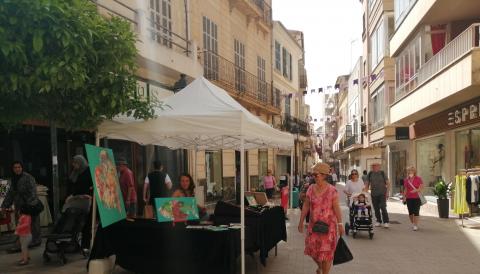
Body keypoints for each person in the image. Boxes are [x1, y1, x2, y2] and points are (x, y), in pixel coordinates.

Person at [298, 163, 344, 274]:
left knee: (327, 254)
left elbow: (337, 208)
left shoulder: (332, 190)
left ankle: (325, 272)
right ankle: (320, 267)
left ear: (324, 175)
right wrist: (301, 221)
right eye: (313, 174)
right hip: (314, 226)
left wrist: (340, 224)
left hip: (329, 228)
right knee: (313, 251)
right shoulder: (310, 189)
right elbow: (306, 205)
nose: (314, 176)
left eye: (316, 174)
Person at [1, 161, 42, 248]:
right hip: (19, 206)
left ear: (22, 168)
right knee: (21, 226)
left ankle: (35, 241)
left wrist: (28, 206)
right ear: (13, 169)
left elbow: (33, 192)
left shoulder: (28, 177)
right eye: (15, 167)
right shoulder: (14, 179)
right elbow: (11, 194)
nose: (17, 169)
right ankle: (22, 244)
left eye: (19, 167)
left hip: (30, 206)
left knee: (33, 224)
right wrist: (4, 206)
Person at [66, 155, 93, 251]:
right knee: (75, 223)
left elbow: (92, 186)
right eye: (73, 163)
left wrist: (88, 193)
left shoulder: (88, 171)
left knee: (86, 224)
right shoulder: (75, 172)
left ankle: (85, 245)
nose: (74, 165)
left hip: (86, 201)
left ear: (81, 162)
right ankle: (74, 244)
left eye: (75, 163)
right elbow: (71, 185)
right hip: (76, 200)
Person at [366, 163, 390, 228]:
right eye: (373, 166)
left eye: (376, 166)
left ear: (379, 167)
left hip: (382, 193)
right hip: (374, 194)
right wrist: (365, 192)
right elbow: (367, 183)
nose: (375, 167)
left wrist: (387, 193)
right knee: (376, 208)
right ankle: (378, 221)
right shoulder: (370, 173)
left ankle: (386, 221)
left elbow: (388, 183)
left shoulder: (382, 173)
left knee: (383, 207)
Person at [403, 166, 424, 231]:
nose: (410, 172)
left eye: (412, 171)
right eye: (409, 171)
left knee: (416, 211)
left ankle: (415, 225)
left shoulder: (418, 178)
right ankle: (413, 222)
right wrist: (404, 197)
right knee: (410, 212)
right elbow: (405, 189)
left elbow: (421, 187)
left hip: (417, 198)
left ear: (414, 172)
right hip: (409, 198)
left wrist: (416, 190)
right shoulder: (406, 180)